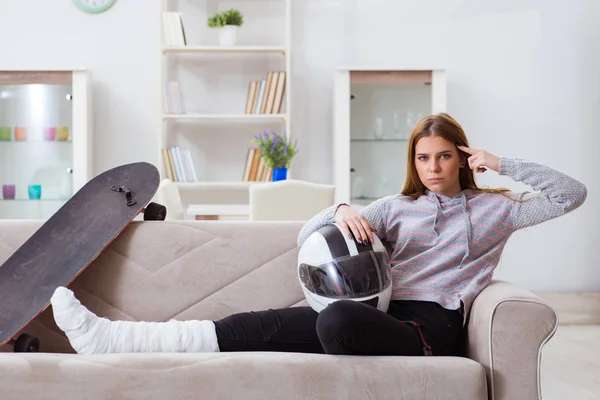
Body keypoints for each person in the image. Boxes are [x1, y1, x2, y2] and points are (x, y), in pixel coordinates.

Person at [50, 113, 587, 356]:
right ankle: (114, 340)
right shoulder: (397, 208)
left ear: (462, 156)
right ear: (414, 162)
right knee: (251, 325)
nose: (433, 167)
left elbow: (570, 194)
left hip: (428, 329)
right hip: (374, 312)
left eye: (444, 156)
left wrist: (503, 163)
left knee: (336, 320)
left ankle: (342, 334)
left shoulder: (495, 210)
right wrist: (339, 209)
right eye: (423, 158)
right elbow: (308, 234)